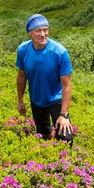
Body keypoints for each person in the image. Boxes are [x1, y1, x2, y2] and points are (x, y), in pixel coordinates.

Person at [16, 14, 73, 142]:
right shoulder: (23, 50)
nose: (43, 34)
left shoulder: (60, 52)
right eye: (38, 30)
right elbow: (21, 76)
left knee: (66, 139)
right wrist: (20, 100)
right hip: (36, 100)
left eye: (45, 29)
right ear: (30, 33)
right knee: (43, 135)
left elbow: (66, 85)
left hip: (56, 99)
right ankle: (50, 139)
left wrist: (64, 114)